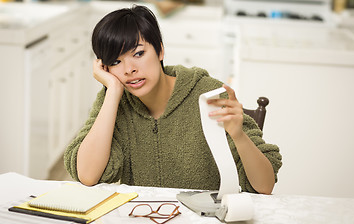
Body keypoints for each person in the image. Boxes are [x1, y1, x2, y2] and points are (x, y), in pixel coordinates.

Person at [64, 5, 282, 194]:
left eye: (138, 53)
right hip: (143, 222)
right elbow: (88, 175)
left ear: (160, 50)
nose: (129, 69)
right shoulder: (115, 101)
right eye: (116, 61)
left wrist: (239, 135)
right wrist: (112, 90)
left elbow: (265, 186)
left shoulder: (208, 93)